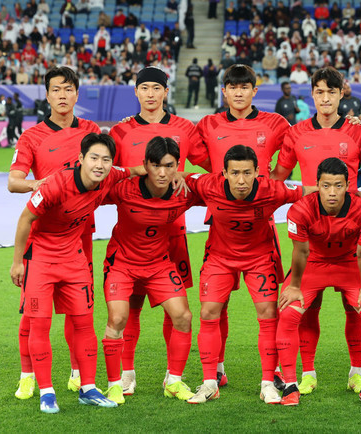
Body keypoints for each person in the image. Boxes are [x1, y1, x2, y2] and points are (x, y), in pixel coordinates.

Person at [9, 133, 142, 413]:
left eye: (106, 159)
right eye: (94, 157)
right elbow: (25, 219)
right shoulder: (56, 183)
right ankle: (46, 392)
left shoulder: (109, 176)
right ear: (81, 159)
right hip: (41, 257)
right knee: (40, 323)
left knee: (84, 323)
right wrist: (18, 262)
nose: (100, 164)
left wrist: (169, 172)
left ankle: (88, 388)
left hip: (74, 259)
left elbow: (132, 170)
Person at [271, 66, 361, 395]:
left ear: (340, 94)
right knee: (306, 310)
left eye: (331, 92)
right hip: (311, 232)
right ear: (313, 95)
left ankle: (356, 371)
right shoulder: (296, 133)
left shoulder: (358, 133)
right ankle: (307, 373)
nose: (325, 98)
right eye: (319, 92)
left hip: (349, 234)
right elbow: (278, 176)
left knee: (356, 307)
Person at [109, 66, 209, 396]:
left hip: (173, 232)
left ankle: (173, 375)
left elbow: (210, 164)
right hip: (133, 231)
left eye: (157, 88)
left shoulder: (184, 127)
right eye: (144, 88)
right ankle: (126, 374)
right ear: (136, 92)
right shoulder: (120, 132)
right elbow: (107, 172)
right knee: (130, 308)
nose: (151, 94)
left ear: (166, 92)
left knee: (177, 309)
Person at [182, 145, 306, 404]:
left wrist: (354, 193)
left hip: (259, 259)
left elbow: (306, 192)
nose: (241, 180)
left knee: (269, 314)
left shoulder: (272, 190)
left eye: (247, 173)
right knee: (208, 312)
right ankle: (209, 383)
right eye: (235, 172)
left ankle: (267, 383)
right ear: (224, 173)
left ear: (258, 172)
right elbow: (180, 178)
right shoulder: (208, 185)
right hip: (219, 258)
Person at [8, 67, 101, 400]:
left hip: (81, 235)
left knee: (79, 310)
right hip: (44, 237)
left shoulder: (91, 131)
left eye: (69, 89)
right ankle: (27, 375)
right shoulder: (33, 136)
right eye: (56, 90)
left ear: (77, 94)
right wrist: (36, 183)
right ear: (47, 95)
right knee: (33, 312)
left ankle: (78, 374)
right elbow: (13, 181)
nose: (63, 95)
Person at [195, 64, 290, 389]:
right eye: (232, 87)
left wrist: (272, 183)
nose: (238, 92)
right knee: (215, 304)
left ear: (254, 91)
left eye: (244, 87)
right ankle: (217, 368)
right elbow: (180, 153)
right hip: (222, 221)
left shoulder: (274, 123)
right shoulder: (208, 124)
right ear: (224, 91)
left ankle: (274, 372)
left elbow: (300, 147)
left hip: (261, 219)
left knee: (268, 305)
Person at [276, 157, 361, 406]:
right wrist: (293, 287)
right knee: (290, 314)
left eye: (338, 185)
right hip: (313, 264)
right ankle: (294, 383)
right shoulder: (300, 209)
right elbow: (300, 252)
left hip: (350, 265)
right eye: (326, 186)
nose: (332, 192)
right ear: (317, 185)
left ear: (348, 185)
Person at [101, 137, 202, 404]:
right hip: (122, 264)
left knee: (183, 316)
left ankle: (174, 381)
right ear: (145, 164)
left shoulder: (184, 191)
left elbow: (219, 188)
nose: (161, 172)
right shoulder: (124, 189)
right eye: (155, 165)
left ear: (177, 166)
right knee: (119, 319)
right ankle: (118, 382)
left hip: (159, 265)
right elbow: (90, 187)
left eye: (169, 166)